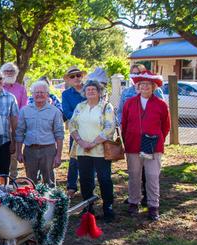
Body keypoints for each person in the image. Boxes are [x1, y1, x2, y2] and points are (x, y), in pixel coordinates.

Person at [122, 71, 170, 221]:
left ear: (153, 87)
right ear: (138, 86)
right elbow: (124, 123)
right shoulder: (130, 103)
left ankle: (153, 205)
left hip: (152, 145)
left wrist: (156, 139)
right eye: (141, 85)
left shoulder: (161, 104)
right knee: (134, 175)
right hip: (133, 144)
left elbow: (166, 126)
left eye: (147, 85)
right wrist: (127, 139)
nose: (144, 87)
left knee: (152, 175)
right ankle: (133, 202)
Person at [69, 80, 116, 222]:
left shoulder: (106, 107)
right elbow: (72, 124)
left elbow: (109, 127)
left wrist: (94, 142)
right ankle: (88, 207)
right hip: (83, 149)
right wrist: (81, 141)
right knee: (85, 179)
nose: (90, 91)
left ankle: (108, 207)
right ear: (84, 92)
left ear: (99, 92)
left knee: (104, 179)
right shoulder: (80, 106)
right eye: (88, 89)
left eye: (93, 89)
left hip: (100, 150)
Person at [15, 81, 65, 186]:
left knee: (49, 181)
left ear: (47, 94)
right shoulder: (25, 111)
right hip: (30, 150)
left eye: (42, 92)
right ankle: (33, 201)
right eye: (36, 92)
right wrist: (19, 152)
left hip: (48, 150)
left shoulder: (55, 111)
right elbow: (19, 132)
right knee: (30, 181)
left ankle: (51, 200)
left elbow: (59, 135)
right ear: (32, 94)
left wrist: (58, 155)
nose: (39, 95)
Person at [61, 66, 87, 198]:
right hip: (76, 130)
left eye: (78, 75)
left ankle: (88, 185)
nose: (76, 78)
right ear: (69, 80)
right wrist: (84, 116)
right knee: (74, 157)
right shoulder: (66, 94)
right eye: (72, 76)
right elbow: (67, 111)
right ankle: (72, 186)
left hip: (92, 129)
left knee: (91, 156)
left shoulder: (90, 90)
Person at [0, 69, 19, 177]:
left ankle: (2, 193)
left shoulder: (11, 98)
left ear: (4, 80)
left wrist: (14, 142)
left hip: (5, 142)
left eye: (0, 78)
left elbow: (14, 123)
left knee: (4, 174)